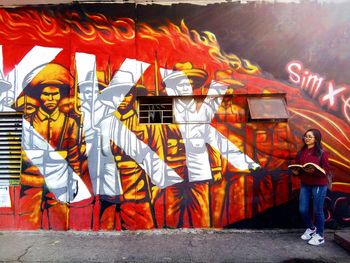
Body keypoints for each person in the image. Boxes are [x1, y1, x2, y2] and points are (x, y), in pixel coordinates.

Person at [20, 63, 91, 229]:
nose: (51, 99)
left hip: (61, 183)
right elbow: (22, 154)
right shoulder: (28, 122)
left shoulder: (70, 123)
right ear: (39, 96)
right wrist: (53, 156)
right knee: (30, 223)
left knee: (59, 221)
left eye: (55, 94)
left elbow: (74, 156)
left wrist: (74, 180)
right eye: (46, 94)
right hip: (33, 182)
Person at [291, 128, 331, 246]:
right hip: (305, 184)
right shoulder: (301, 152)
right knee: (303, 209)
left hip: (319, 184)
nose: (306, 138)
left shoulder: (321, 153)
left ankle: (320, 235)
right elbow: (298, 167)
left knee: (317, 210)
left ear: (316, 139)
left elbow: (327, 169)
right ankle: (311, 228)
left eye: (309, 137)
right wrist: (296, 171)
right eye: (305, 136)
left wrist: (316, 169)